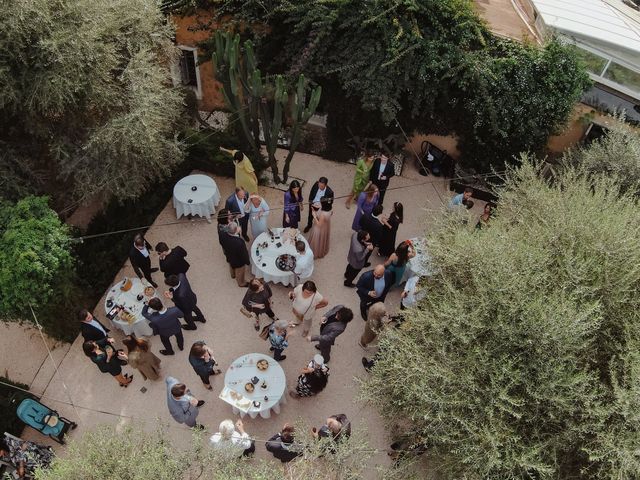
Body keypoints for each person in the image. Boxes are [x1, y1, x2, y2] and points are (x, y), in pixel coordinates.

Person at [219, 221, 251, 287]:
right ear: (236, 230)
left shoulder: (222, 234)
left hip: (229, 256)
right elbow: (243, 254)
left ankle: (233, 275)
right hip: (239, 262)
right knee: (240, 272)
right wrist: (247, 261)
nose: (239, 227)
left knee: (231, 265)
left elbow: (221, 243)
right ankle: (241, 283)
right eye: (238, 227)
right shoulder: (239, 242)